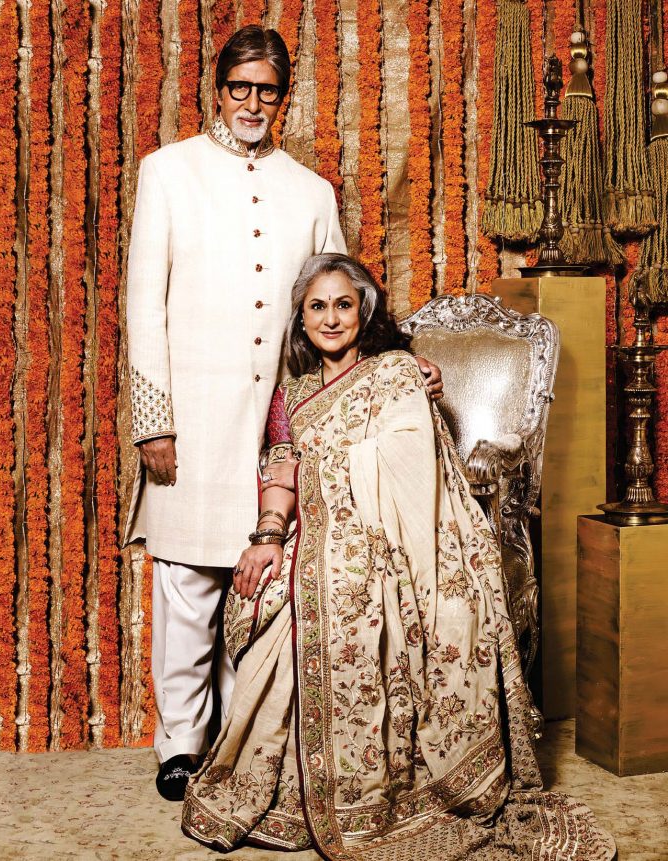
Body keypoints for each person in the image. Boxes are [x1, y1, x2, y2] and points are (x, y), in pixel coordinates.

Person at [182, 254, 614, 861]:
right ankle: (302, 780)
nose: (331, 318)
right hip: (317, 536)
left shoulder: (397, 372)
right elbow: (281, 472)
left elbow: (415, 469)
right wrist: (269, 536)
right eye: (316, 307)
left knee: (368, 598)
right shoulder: (291, 395)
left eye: (343, 304)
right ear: (300, 319)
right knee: (282, 593)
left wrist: (337, 492)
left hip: (402, 539)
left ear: (364, 312)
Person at [124, 26, 442, 801]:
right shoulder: (168, 172)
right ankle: (180, 744)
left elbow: (345, 298)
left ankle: (248, 742)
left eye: (267, 90)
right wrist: (153, 421)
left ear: (284, 97)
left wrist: (403, 361)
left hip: (281, 426)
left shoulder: (311, 191)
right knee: (187, 581)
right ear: (219, 89)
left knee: (264, 587)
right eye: (240, 87)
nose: (252, 103)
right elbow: (142, 307)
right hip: (192, 418)